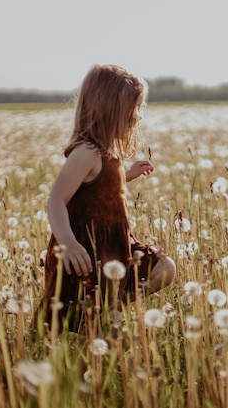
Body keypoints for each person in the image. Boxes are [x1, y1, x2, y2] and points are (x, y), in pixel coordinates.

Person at [35, 64, 176, 332]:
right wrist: (68, 243)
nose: (138, 117)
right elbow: (56, 200)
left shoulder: (106, 153)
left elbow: (97, 186)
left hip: (116, 243)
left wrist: (126, 174)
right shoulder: (85, 152)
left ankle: (114, 304)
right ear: (112, 109)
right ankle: (100, 320)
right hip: (86, 248)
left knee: (165, 268)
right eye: (134, 109)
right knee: (71, 319)